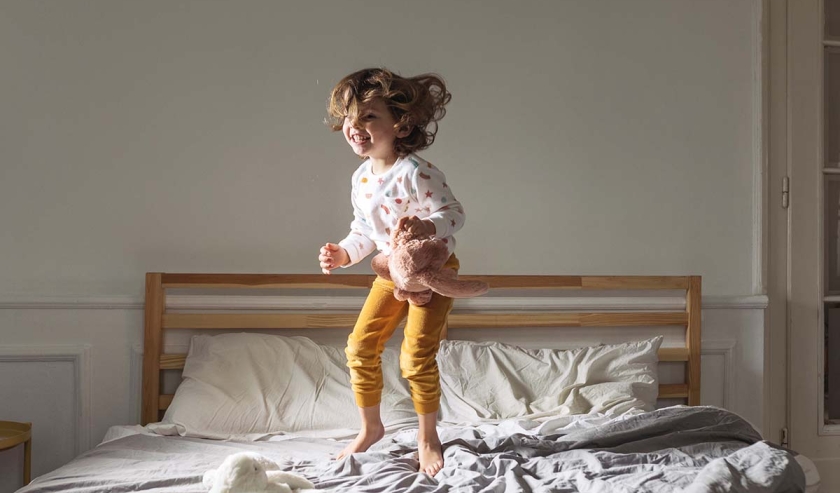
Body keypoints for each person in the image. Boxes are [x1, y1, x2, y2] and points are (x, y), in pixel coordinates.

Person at [318, 67, 465, 476]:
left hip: (431, 269)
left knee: (416, 354)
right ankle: (370, 428)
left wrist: (426, 227)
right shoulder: (361, 177)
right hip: (389, 272)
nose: (355, 127)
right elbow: (364, 231)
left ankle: (427, 438)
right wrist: (344, 254)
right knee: (360, 346)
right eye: (349, 118)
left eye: (368, 116)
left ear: (401, 124)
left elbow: (454, 213)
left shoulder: (417, 172)